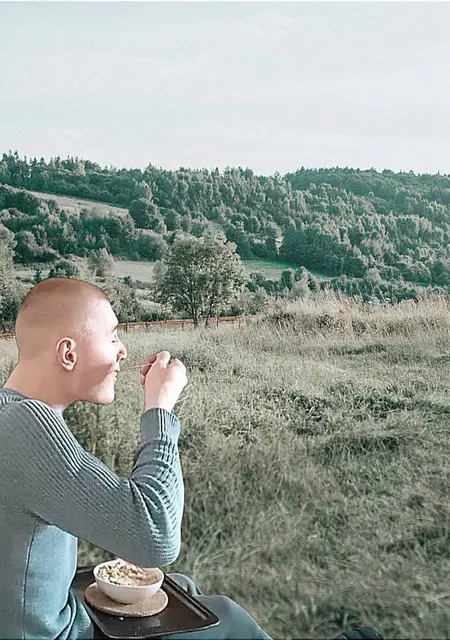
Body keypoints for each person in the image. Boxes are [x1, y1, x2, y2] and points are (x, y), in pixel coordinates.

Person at [0, 277, 383, 640]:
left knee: (181, 590)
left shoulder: (10, 413)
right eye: (112, 335)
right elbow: (156, 537)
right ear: (68, 354)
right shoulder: (26, 424)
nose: (123, 350)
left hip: (45, 617)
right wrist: (160, 409)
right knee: (227, 618)